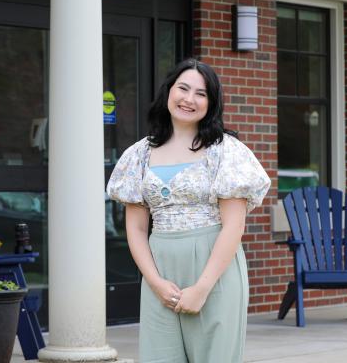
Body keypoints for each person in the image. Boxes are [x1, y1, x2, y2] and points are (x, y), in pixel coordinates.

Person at [106, 58, 270, 363]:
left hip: (214, 269)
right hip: (160, 272)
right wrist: (154, 281)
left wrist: (202, 287)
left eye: (201, 93)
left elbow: (234, 227)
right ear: (168, 91)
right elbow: (137, 228)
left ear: (212, 103)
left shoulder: (226, 151)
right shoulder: (138, 155)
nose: (189, 99)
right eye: (183, 88)